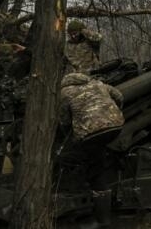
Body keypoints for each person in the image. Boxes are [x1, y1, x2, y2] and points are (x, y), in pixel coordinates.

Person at [58, 72, 124, 228]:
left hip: (90, 133)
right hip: (117, 125)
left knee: (95, 171)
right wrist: (113, 113)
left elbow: (64, 121)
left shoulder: (65, 93)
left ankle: (102, 220)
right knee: (95, 158)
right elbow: (119, 96)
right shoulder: (98, 84)